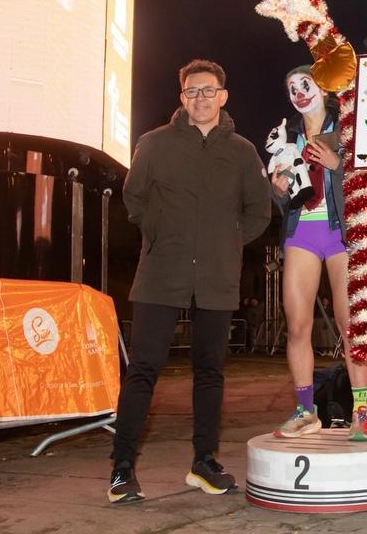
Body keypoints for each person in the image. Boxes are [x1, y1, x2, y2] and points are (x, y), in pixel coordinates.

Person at [109, 59, 271, 504]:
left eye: (208, 91)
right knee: (143, 371)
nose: (200, 98)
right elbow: (134, 198)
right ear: (182, 98)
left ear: (223, 96)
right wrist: (161, 234)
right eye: (191, 92)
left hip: (217, 276)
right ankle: (122, 468)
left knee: (210, 373)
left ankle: (204, 462)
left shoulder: (242, 151)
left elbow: (258, 211)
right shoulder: (154, 144)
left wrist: (229, 241)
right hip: (162, 273)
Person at [270, 65, 367, 439]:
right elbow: (281, 198)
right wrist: (278, 188)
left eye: (305, 84)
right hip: (301, 232)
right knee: (297, 325)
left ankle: (360, 411)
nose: (299, 92)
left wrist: (337, 165)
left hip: (341, 233)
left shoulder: (348, 125)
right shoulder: (286, 137)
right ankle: (305, 410)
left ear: (323, 88)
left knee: (352, 326)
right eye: (291, 88)